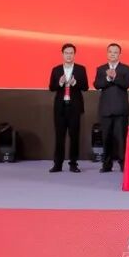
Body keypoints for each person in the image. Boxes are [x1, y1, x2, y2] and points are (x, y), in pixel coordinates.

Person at [48, 43, 89, 173]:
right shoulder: (56, 70)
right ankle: (58, 164)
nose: (69, 55)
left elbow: (85, 87)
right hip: (60, 108)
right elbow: (51, 87)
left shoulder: (80, 69)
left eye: (71, 53)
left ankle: (73, 164)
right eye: (66, 53)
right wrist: (60, 83)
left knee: (74, 136)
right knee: (59, 137)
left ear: (74, 54)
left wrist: (75, 83)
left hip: (75, 107)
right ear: (62, 54)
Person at [93, 42, 129, 173]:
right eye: (110, 52)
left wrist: (115, 77)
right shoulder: (101, 68)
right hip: (105, 109)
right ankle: (106, 164)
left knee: (121, 139)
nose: (112, 54)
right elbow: (97, 84)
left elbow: (126, 84)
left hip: (121, 109)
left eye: (115, 52)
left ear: (119, 54)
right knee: (106, 138)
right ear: (107, 53)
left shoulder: (126, 69)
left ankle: (123, 164)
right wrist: (108, 79)